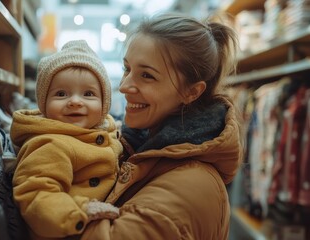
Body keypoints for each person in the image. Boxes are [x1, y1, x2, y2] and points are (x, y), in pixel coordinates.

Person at [79, 12, 243, 240]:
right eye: (127, 69)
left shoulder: (190, 187)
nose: (124, 86)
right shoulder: (135, 147)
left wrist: (55, 207)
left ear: (191, 92)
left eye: (146, 75)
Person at [10, 40, 123, 239]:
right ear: (44, 103)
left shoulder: (103, 133)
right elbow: (35, 194)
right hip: (68, 228)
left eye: (88, 94)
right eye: (61, 94)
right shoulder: (50, 143)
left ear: (104, 104)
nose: (75, 101)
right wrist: (78, 211)